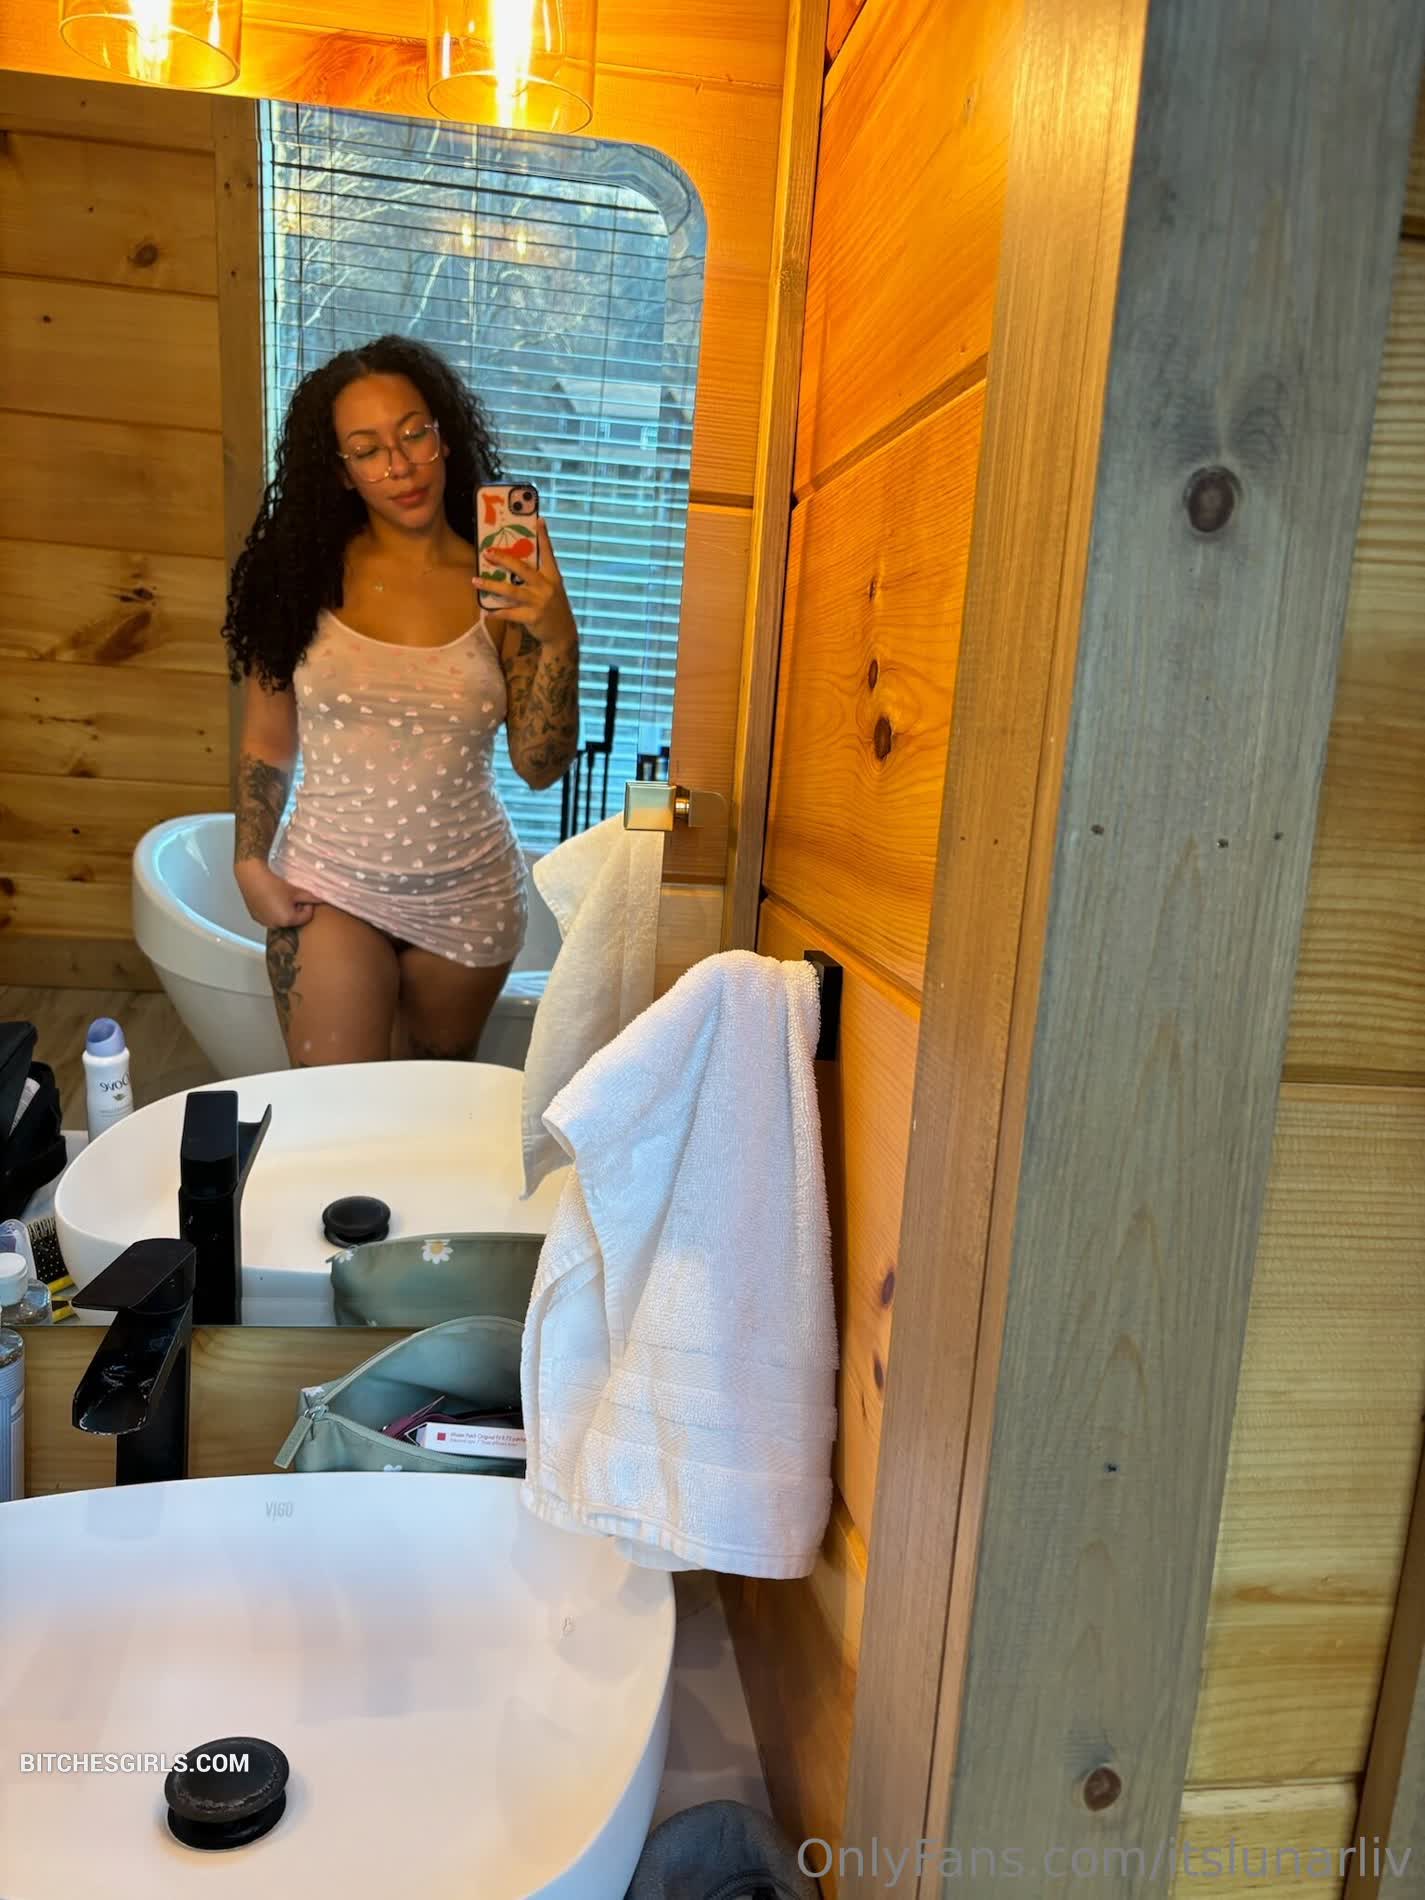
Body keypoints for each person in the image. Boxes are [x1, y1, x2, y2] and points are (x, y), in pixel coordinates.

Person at [222, 335, 580, 1066]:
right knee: (340, 1108)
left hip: (470, 899)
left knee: (423, 1109)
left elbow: (539, 766)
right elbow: (268, 740)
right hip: (328, 884)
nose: (400, 465)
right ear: (341, 470)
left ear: (444, 436)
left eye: (414, 433)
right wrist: (250, 861)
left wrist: (557, 636)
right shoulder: (297, 574)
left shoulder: (504, 584)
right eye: (368, 449)